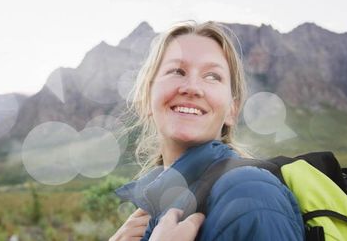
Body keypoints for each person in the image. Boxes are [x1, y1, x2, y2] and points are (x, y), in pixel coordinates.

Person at [110, 21, 305, 241]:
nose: (192, 88)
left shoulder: (248, 192)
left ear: (232, 110)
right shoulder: (152, 211)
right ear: (147, 99)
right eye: (177, 71)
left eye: (212, 76)